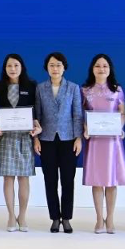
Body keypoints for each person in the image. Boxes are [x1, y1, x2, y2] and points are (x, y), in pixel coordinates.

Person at [34, 52, 83, 234]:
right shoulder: (40, 88)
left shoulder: (73, 88)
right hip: (46, 139)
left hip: (68, 139)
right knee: (50, 180)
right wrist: (35, 138)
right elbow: (37, 115)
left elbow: (77, 114)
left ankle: (67, 218)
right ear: (47, 68)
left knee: (68, 180)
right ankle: (55, 217)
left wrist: (79, 138)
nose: (55, 68)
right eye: (52, 65)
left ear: (64, 68)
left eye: (58, 65)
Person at [81, 54, 125, 235]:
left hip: (112, 141)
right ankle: (99, 218)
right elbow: (81, 114)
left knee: (111, 180)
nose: (101, 69)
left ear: (110, 69)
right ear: (92, 69)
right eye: (98, 66)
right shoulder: (85, 90)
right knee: (97, 180)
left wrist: (120, 127)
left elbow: (122, 114)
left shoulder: (117, 90)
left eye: (105, 66)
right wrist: (86, 128)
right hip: (94, 141)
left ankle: (110, 219)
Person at [0, 54, 41, 232]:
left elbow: (36, 113)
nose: (12, 69)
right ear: (4, 68)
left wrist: (36, 134)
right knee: (8, 177)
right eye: (9, 66)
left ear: (22, 67)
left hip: (25, 137)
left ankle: (22, 215)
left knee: (23, 177)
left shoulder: (31, 86)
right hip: (5, 137)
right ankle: (11, 216)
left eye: (16, 65)